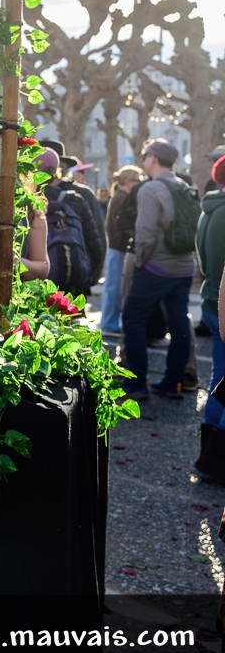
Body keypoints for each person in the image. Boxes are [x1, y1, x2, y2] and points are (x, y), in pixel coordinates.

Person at [120, 139, 197, 401]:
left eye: (144, 155)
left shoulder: (151, 189)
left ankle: (137, 383)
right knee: (179, 323)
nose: (143, 160)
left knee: (133, 318)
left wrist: (141, 262)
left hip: (157, 266)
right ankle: (173, 383)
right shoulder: (184, 186)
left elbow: (145, 233)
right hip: (185, 265)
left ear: (153, 158)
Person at [37, 147, 101, 298]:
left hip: (35, 288)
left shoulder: (24, 202)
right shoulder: (78, 198)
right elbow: (96, 246)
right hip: (73, 287)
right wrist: (86, 280)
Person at [196, 156, 225, 482]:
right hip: (219, 301)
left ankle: (210, 455)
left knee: (220, 376)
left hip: (212, 298)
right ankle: (215, 457)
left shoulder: (212, 206)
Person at [101, 164, 144, 334]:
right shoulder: (122, 197)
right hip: (118, 248)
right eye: (137, 180)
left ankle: (109, 322)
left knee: (114, 286)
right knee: (114, 287)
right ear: (128, 182)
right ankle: (109, 323)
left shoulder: (118, 195)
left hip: (115, 248)